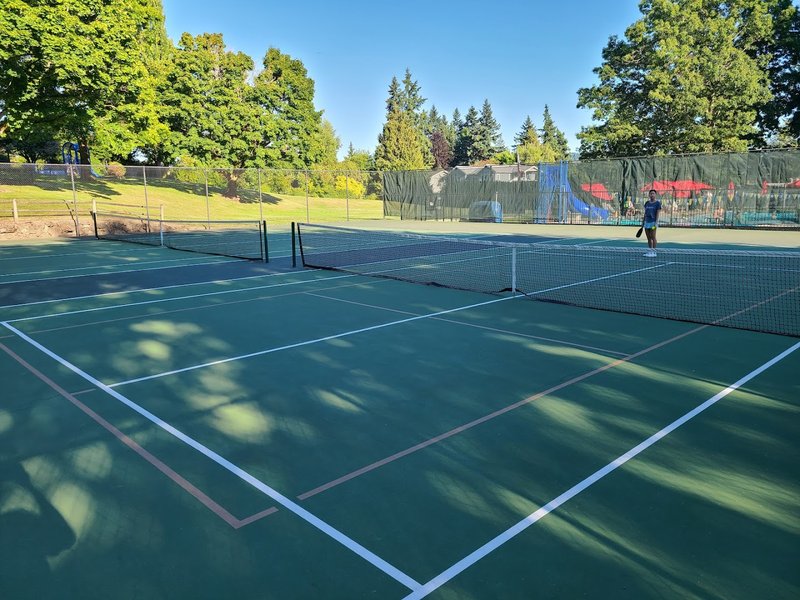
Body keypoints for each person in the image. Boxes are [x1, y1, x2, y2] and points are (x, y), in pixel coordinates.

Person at [641, 189, 661, 257]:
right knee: (648, 237)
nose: (652, 195)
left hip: (653, 223)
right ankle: (650, 251)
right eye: (651, 193)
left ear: (655, 195)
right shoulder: (647, 203)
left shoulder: (657, 203)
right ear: (649, 195)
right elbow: (645, 213)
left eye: (653, 193)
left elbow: (658, 213)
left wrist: (656, 222)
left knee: (653, 236)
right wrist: (643, 222)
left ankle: (654, 252)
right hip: (647, 223)